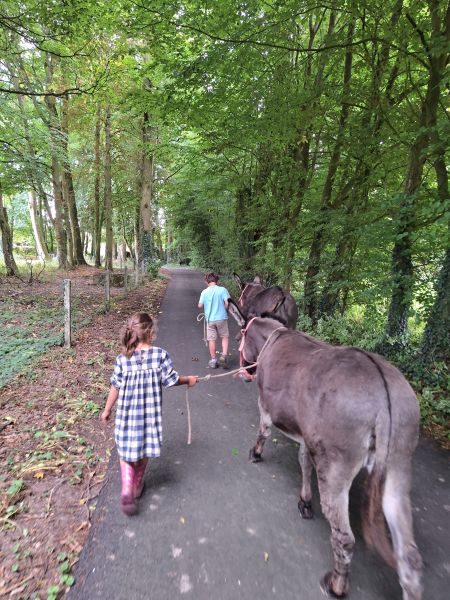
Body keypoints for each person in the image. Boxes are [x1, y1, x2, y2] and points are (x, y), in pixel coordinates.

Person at [100, 312, 198, 516]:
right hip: (149, 417)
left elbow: (115, 387)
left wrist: (107, 409)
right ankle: (136, 487)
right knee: (144, 450)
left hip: (126, 417)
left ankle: (126, 487)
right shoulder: (160, 355)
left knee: (125, 451)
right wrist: (188, 379)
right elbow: (171, 380)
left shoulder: (122, 359)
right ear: (151, 333)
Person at [198, 272, 230, 368]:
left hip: (210, 320)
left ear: (206, 282)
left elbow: (199, 305)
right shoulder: (222, 290)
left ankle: (213, 360)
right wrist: (224, 308)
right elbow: (227, 303)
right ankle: (223, 356)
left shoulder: (204, 292)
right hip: (221, 318)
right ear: (217, 281)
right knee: (224, 337)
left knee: (211, 339)